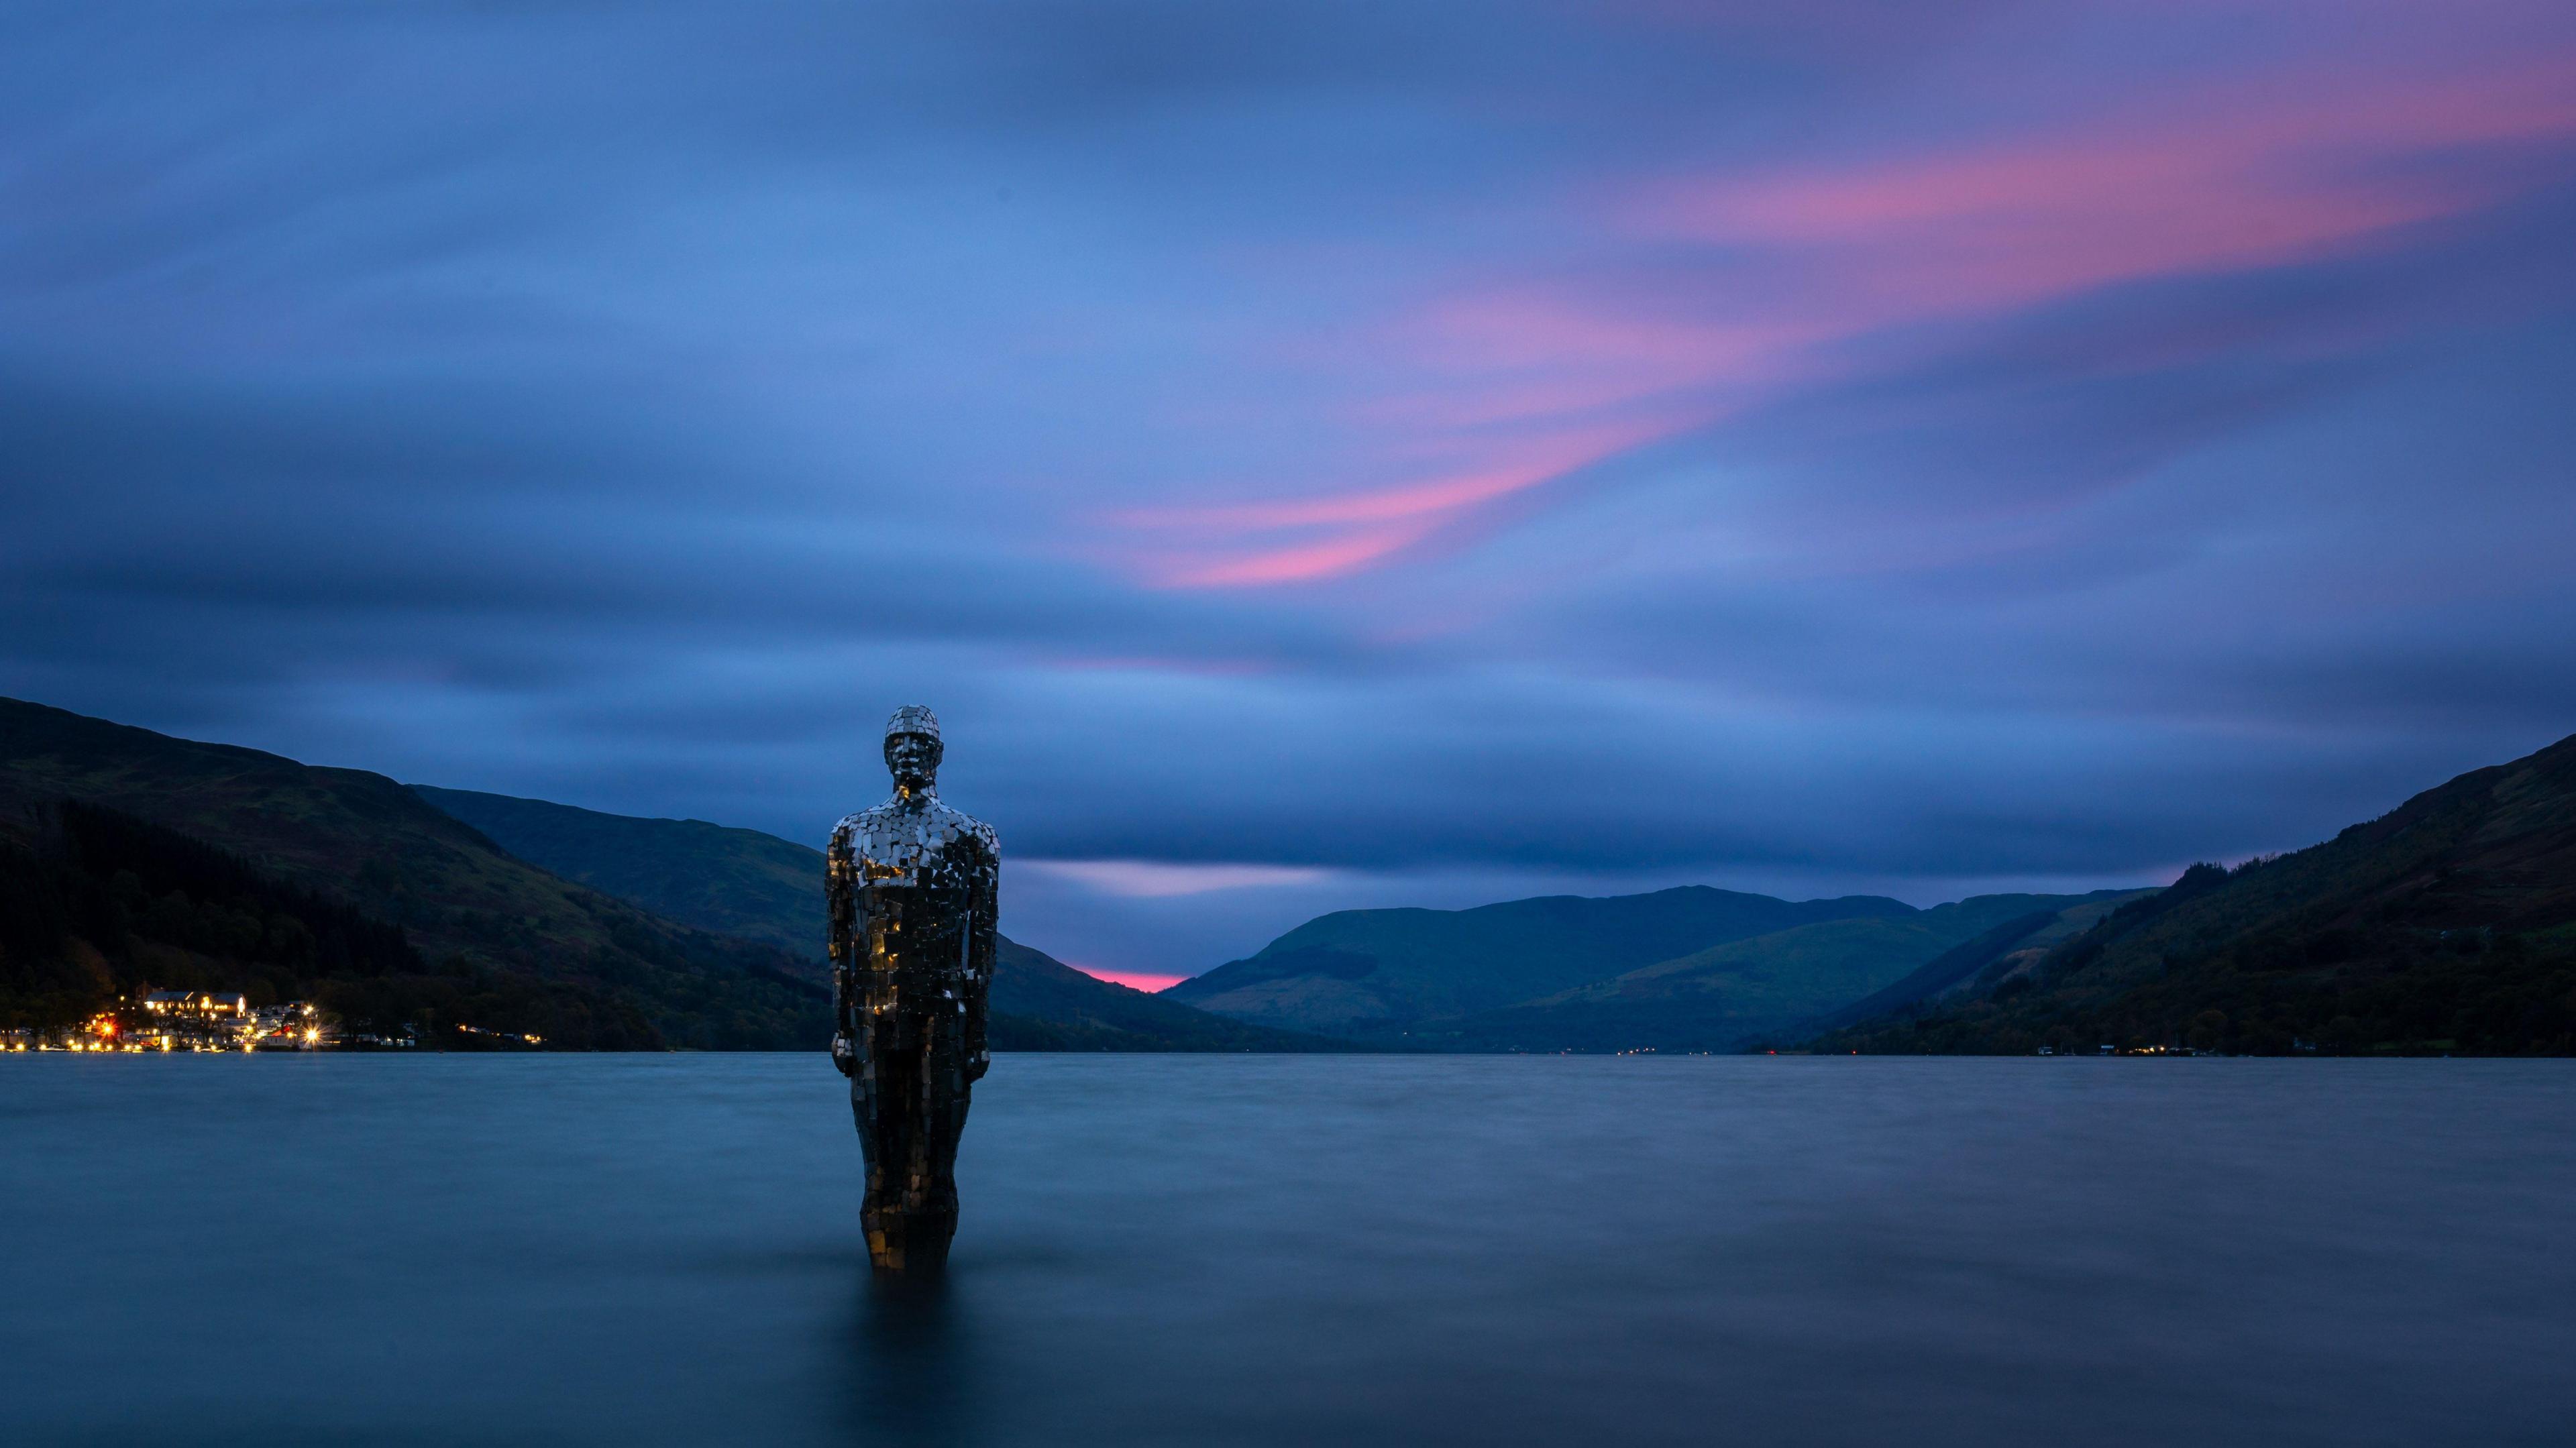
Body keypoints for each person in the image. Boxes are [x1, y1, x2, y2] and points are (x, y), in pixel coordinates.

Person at [827, 705, 998, 1271]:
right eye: (899, 742)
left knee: (936, 1154)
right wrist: (841, 1026)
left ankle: (925, 1262)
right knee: (881, 1157)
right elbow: (841, 940)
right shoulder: (850, 836)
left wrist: (976, 1034)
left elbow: (983, 946)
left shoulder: (972, 838)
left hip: (942, 1013)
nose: (909, 752)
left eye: (920, 742)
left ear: (939, 754)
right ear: (885, 753)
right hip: (873, 1011)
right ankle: (888, 1261)